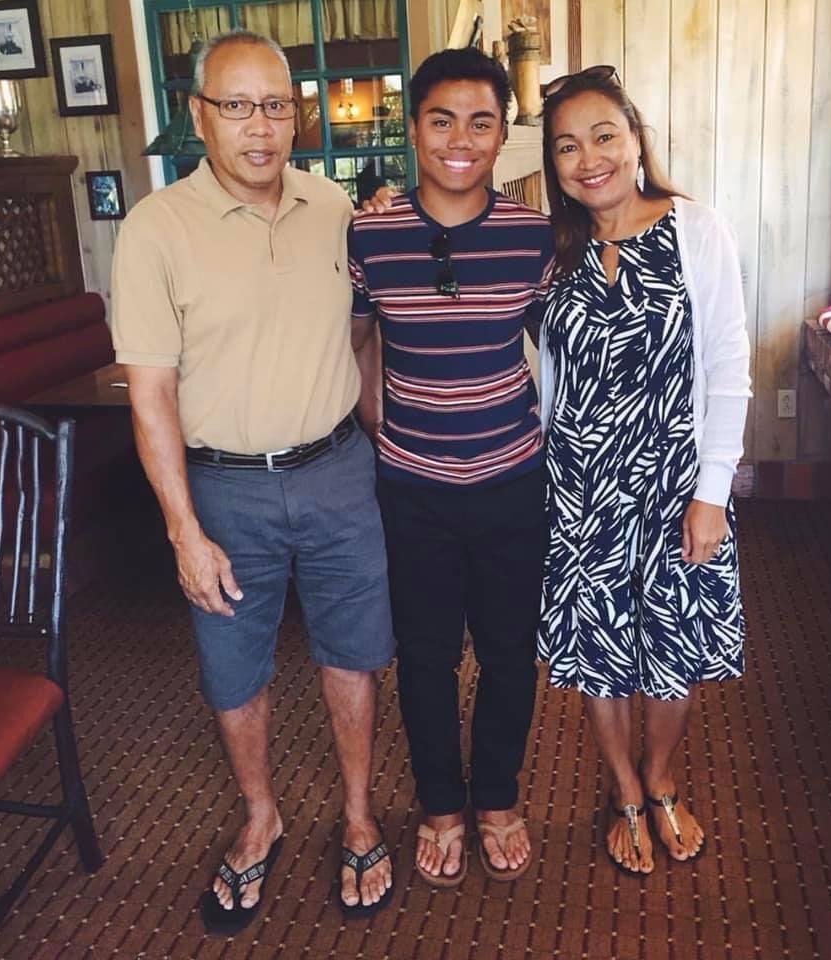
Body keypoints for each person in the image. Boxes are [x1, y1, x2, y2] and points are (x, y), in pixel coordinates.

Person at [109, 30, 395, 932]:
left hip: (339, 473)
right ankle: (260, 814)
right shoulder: (156, 229)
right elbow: (150, 395)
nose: (260, 127)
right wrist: (182, 531)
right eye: (236, 107)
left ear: (297, 114)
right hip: (224, 488)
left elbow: (362, 325)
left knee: (353, 652)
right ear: (200, 118)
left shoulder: (334, 204)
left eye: (276, 105)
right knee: (234, 666)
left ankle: (356, 814)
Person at [537, 66, 751, 875]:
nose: (587, 158)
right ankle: (625, 789)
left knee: (672, 643)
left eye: (603, 136)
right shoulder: (552, 247)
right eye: (567, 146)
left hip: (673, 488)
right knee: (600, 647)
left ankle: (661, 779)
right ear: (553, 163)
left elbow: (728, 367)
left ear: (635, 140)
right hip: (582, 489)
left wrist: (712, 493)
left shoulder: (697, 230)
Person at [349, 47, 555, 887]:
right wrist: (379, 422)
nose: (460, 139)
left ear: (504, 134)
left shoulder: (533, 234)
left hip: (513, 478)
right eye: (442, 120)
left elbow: (562, 347)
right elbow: (361, 341)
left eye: (481, 122)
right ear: (412, 127)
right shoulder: (369, 229)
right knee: (425, 654)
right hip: (412, 488)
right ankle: (440, 804)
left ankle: (498, 796)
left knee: (511, 650)